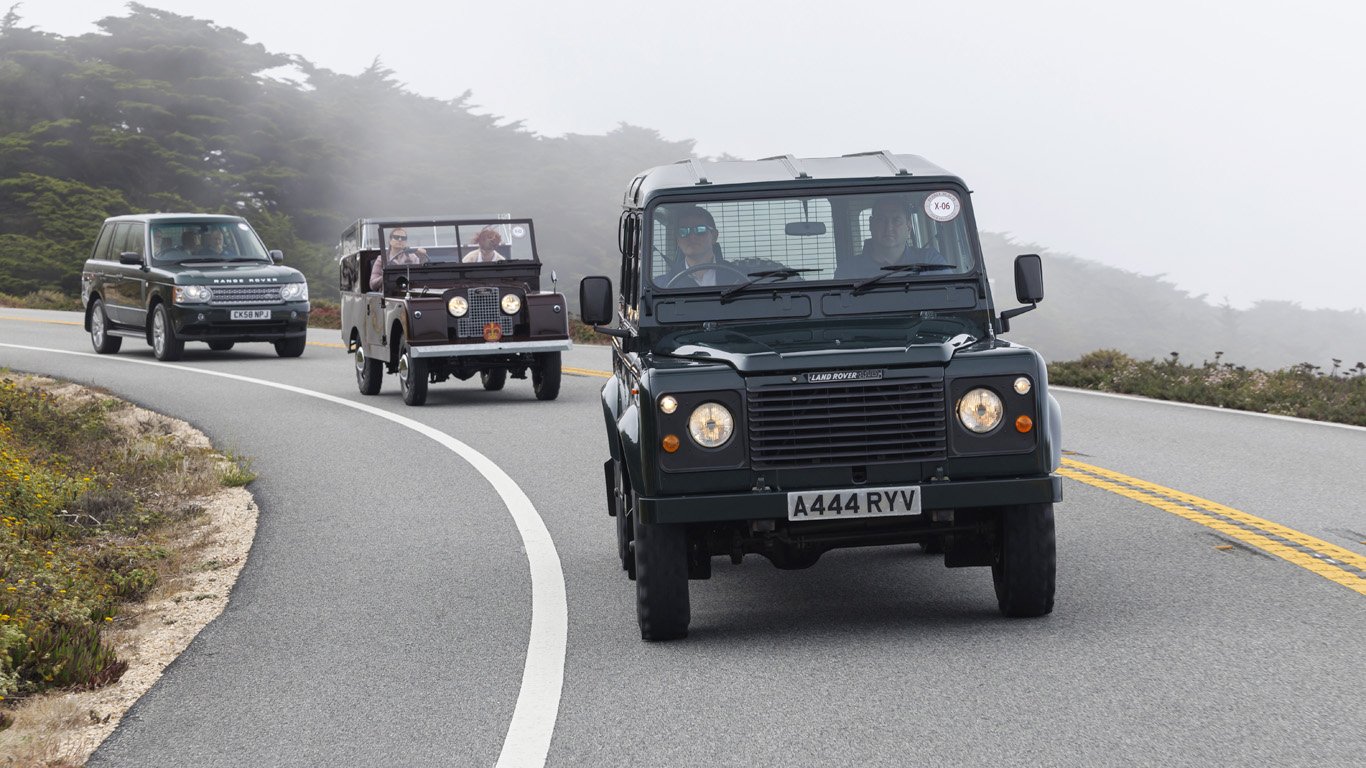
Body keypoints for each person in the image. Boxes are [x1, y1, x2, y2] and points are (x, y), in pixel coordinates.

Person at [835, 197, 949, 279]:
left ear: (908, 227)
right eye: (881, 219)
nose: (889, 227)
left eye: (896, 220)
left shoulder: (930, 261)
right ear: (871, 224)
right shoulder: (847, 271)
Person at [662, 206, 727, 287]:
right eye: (684, 231)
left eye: (700, 229)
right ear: (677, 240)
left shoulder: (740, 278)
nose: (692, 237)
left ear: (714, 236)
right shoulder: (663, 285)